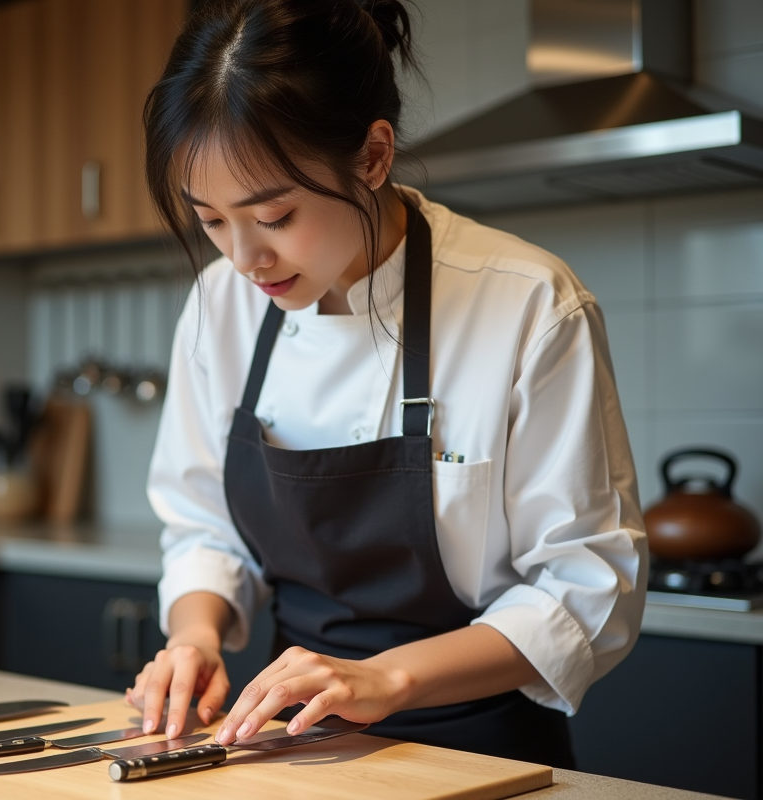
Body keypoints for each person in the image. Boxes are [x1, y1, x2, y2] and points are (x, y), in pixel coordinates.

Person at [126, 0, 647, 769]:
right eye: (211, 221)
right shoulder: (221, 305)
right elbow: (205, 528)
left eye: (274, 216)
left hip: (484, 754)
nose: (244, 258)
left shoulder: (528, 303)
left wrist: (386, 679)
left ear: (372, 157)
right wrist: (194, 635)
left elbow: (586, 583)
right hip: (286, 744)